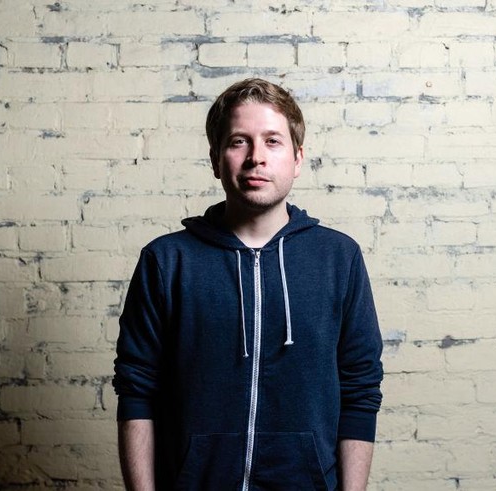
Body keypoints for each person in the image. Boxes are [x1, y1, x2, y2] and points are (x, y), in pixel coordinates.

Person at [113, 78, 384, 490]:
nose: (256, 158)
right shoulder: (167, 262)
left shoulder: (338, 259)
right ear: (216, 159)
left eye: (272, 141)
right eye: (239, 141)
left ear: (297, 158)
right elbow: (137, 392)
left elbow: (360, 390)